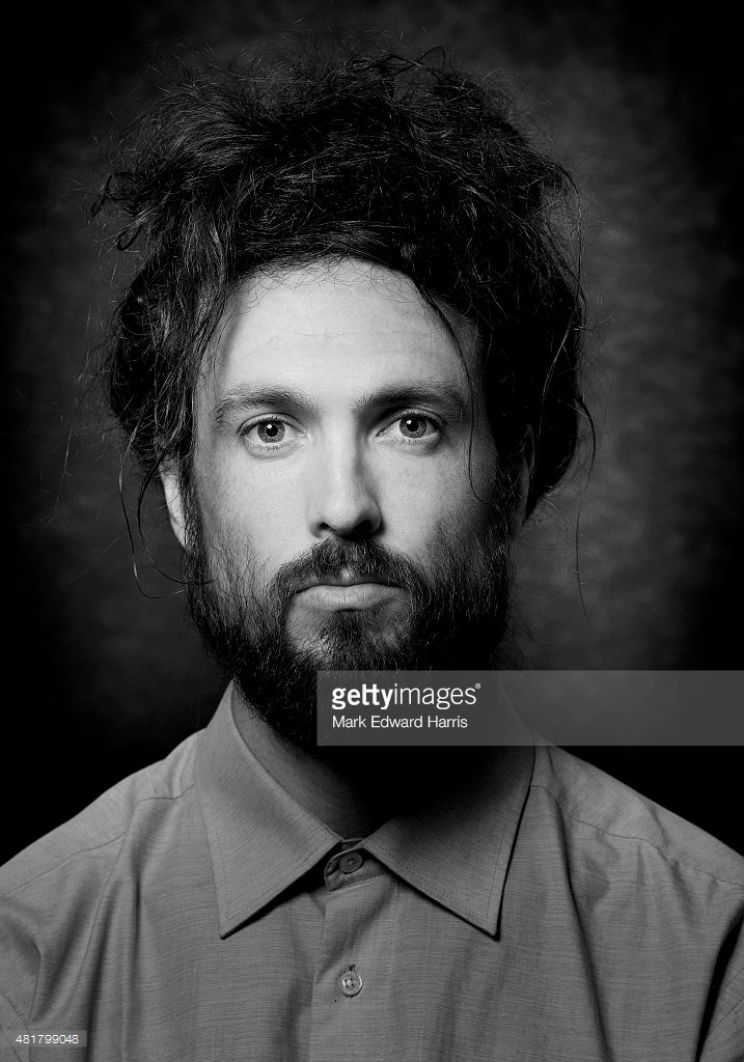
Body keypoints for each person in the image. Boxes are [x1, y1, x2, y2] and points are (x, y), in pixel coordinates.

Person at [1, 47, 742, 1062]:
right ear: (180, 494)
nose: (344, 508)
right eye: (270, 430)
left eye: (410, 425)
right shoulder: (26, 951)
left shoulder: (709, 950)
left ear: (516, 478)